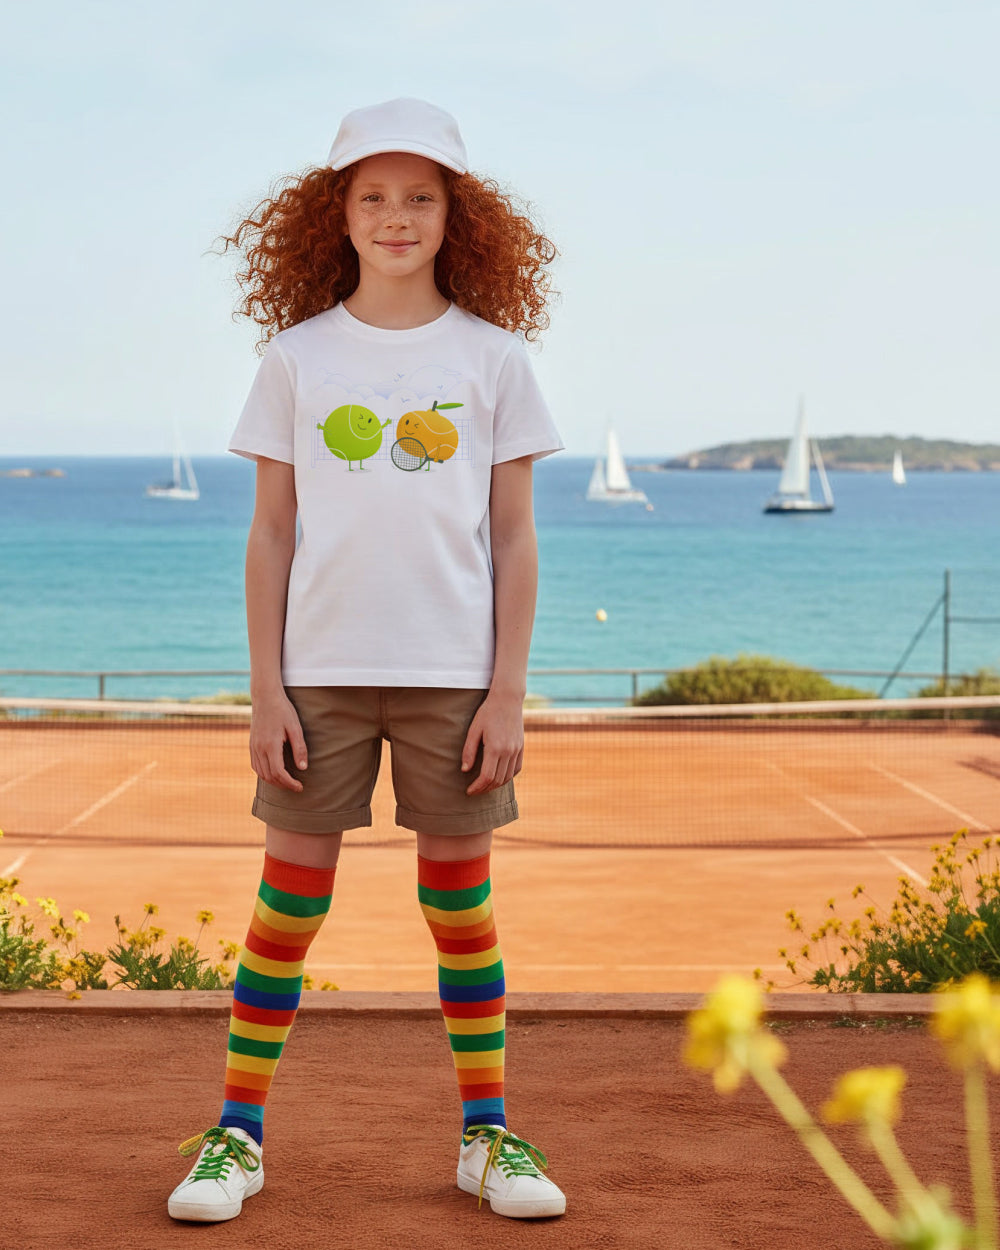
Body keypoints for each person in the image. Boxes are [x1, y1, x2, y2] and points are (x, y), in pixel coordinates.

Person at [167, 98, 567, 1225]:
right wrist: (265, 691)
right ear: (333, 214)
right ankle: (233, 1139)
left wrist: (506, 691)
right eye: (374, 195)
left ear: (459, 216)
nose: (397, 216)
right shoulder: (295, 359)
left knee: (461, 907)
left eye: (421, 196)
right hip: (319, 677)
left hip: (456, 677)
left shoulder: (496, 360)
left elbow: (515, 537)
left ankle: (485, 1137)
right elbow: (273, 532)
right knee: (287, 907)